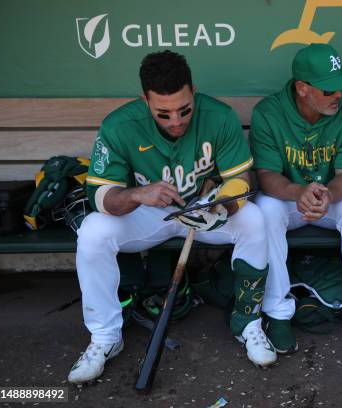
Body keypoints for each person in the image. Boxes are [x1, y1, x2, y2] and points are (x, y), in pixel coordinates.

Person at [68, 50, 276, 384]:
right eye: (163, 114)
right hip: (149, 215)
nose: (176, 121)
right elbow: (99, 196)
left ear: (193, 91)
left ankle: (248, 323)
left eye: (184, 110)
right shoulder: (120, 125)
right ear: (145, 100)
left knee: (254, 218)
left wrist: (221, 205)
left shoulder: (218, 115)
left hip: (203, 210)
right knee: (93, 231)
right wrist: (138, 194)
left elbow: (243, 180)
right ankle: (105, 337)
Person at [250, 43, 342, 359]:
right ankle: (277, 312)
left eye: (341, 87)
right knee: (264, 211)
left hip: (331, 194)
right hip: (287, 196)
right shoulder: (269, 112)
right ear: (302, 88)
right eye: (329, 89)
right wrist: (296, 193)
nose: (338, 96)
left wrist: (328, 194)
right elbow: (266, 175)